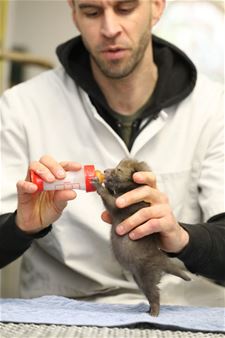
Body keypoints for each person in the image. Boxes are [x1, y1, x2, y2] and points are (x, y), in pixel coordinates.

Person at [0, 0, 224, 306]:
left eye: (125, 8)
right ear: (74, 13)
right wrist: (20, 227)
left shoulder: (215, 108)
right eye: (92, 12)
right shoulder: (20, 107)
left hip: (182, 311)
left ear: (157, 7)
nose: (109, 29)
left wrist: (183, 238)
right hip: (65, 312)